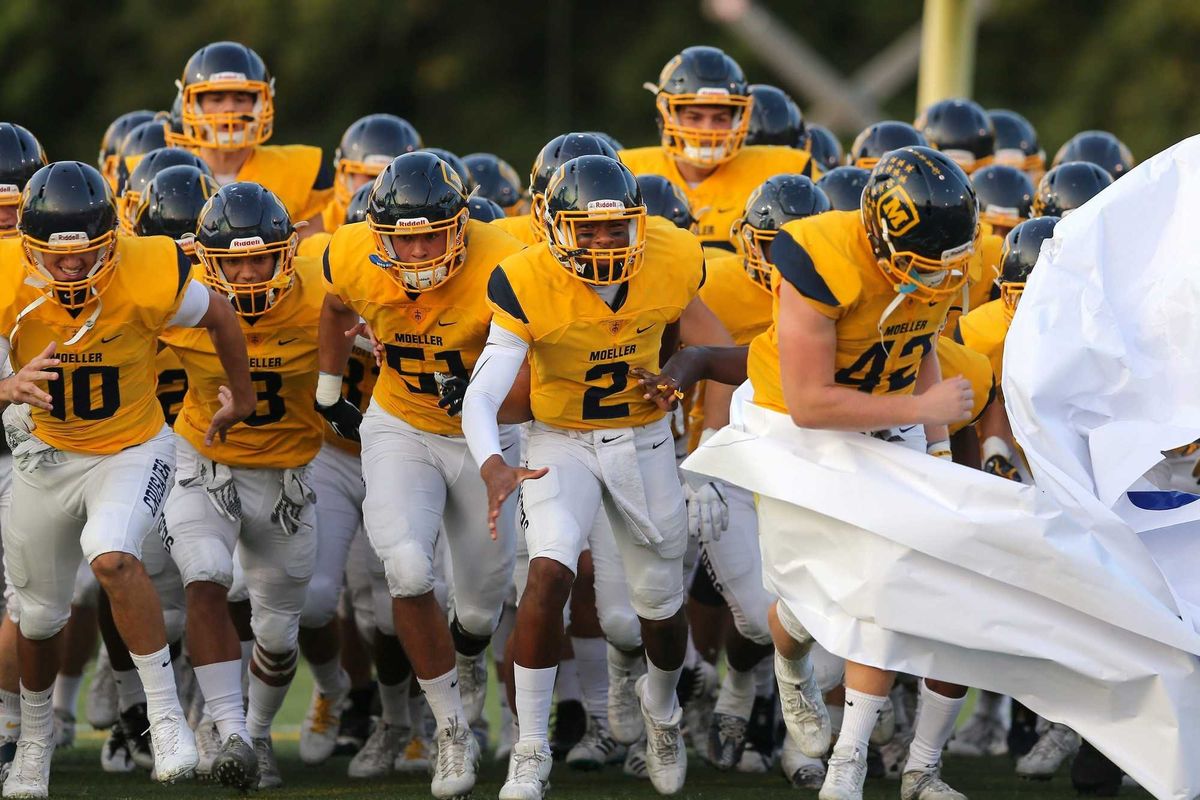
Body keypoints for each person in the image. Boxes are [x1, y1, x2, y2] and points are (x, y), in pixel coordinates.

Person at [0, 160, 254, 797]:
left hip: (132, 449)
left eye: (89, 254)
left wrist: (242, 396)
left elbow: (221, 315)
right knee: (37, 620)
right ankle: (32, 745)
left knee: (112, 557)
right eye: (57, 257)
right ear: (28, 247)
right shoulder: (5, 272)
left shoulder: (147, 270)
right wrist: (5, 386)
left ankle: (165, 716)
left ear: (112, 240)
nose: (73, 269)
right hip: (45, 455)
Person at [462, 154, 708, 798]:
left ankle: (662, 709)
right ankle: (532, 747)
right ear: (552, 226)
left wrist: (676, 374)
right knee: (548, 570)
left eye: (615, 228)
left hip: (643, 438)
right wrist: (492, 463)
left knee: (658, 603)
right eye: (587, 229)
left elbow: (694, 337)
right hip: (560, 440)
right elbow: (483, 396)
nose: (603, 241)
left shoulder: (676, 256)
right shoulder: (526, 278)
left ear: (639, 224)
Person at [319, 150, 525, 799]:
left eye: (433, 234)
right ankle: (449, 730)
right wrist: (330, 389)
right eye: (403, 239)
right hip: (400, 425)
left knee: (483, 611)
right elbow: (331, 305)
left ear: (462, 224)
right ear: (379, 235)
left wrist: (481, 398)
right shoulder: (350, 253)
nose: (419, 251)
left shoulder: (508, 262)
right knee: (406, 568)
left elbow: (535, 384)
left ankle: (466, 661)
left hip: (484, 438)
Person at [160, 182, 324, 790]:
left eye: (262, 257)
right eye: (234, 261)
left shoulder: (322, 296)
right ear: (206, 260)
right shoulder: (182, 302)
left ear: (289, 251)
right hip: (207, 459)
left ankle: (254, 731)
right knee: (204, 574)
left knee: (279, 633)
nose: (251, 273)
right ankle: (227, 728)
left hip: (289, 477)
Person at [620, 46, 818, 250]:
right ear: (668, 113)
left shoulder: (786, 167)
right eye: (694, 117)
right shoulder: (626, 170)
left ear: (739, 118)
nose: (708, 130)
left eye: (720, 118)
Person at [176, 41, 332, 237]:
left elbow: (314, 253)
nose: (229, 108)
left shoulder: (302, 168)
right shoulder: (171, 175)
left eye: (241, 98)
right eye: (216, 99)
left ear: (260, 104)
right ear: (193, 106)